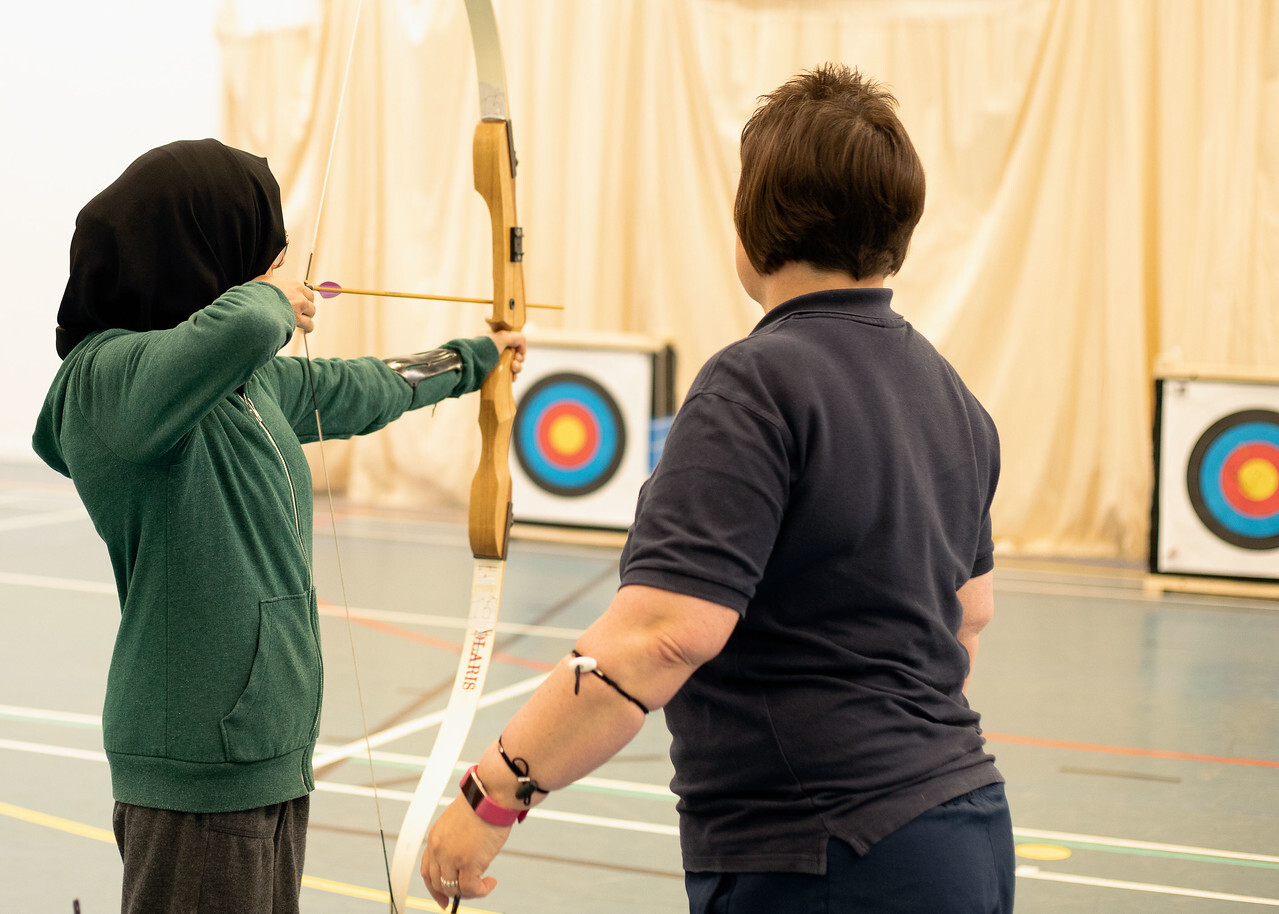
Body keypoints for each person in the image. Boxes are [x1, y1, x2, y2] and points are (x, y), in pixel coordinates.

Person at [421, 63, 1011, 913]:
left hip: (824, 855)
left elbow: (660, 635)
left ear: (751, 224)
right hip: (963, 828)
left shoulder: (757, 382)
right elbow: (967, 620)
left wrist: (494, 790)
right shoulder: (954, 396)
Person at [30, 138, 526, 914]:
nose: (272, 271)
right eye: (260, 254)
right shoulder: (102, 382)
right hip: (193, 758)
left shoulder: (241, 381)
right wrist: (270, 298)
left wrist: (471, 359)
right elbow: (236, 328)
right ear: (196, 249)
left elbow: (360, 387)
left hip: (271, 744)